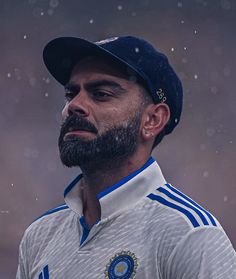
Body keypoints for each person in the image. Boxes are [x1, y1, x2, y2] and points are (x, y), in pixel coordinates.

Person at [16, 36, 236, 279]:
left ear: (152, 120)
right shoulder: (39, 235)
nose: (74, 105)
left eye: (101, 94)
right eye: (71, 94)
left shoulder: (190, 234)